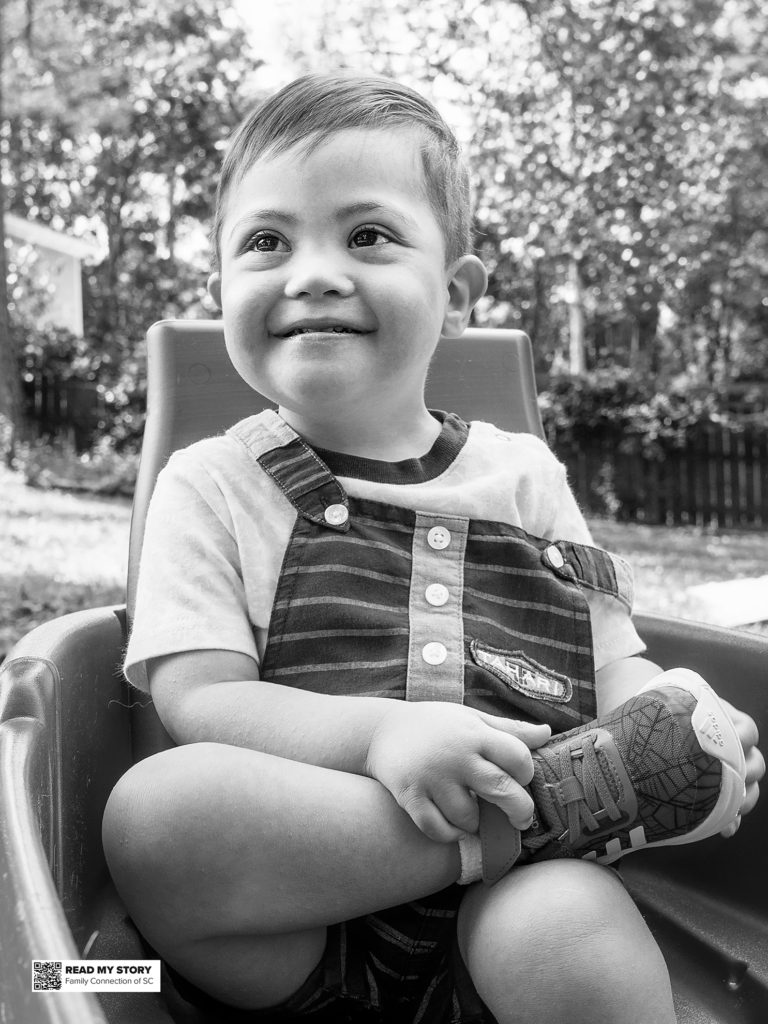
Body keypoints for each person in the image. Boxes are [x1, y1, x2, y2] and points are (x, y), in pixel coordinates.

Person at [103, 71, 764, 1024]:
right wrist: (382, 737)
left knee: (570, 928)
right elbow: (197, 696)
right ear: (222, 282)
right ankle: (543, 818)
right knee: (155, 814)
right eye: (264, 242)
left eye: (366, 236)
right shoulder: (212, 482)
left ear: (454, 295)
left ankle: (542, 832)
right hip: (299, 920)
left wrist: (674, 717)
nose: (314, 272)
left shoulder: (524, 475)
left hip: (506, 920)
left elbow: (612, 659)